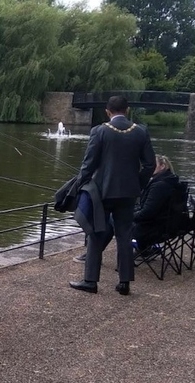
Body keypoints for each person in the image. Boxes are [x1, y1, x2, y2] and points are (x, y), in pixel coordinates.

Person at [69, 95, 156, 297]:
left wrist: (79, 184)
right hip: (129, 194)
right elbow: (150, 165)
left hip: (102, 192)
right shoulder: (141, 132)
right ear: (127, 110)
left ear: (108, 112)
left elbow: (88, 164)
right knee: (125, 235)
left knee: (96, 232)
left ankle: (90, 281)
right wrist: (138, 184)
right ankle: (124, 282)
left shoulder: (100, 131)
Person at [130, 155, 186, 254]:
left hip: (153, 229)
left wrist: (129, 216)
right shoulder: (173, 181)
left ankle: (121, 255)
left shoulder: (159, 186)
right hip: (170, 225)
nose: (148, 167)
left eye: (152, 164)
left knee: (115, 219)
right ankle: (143, 249)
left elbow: (147, 212)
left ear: (162, 166)